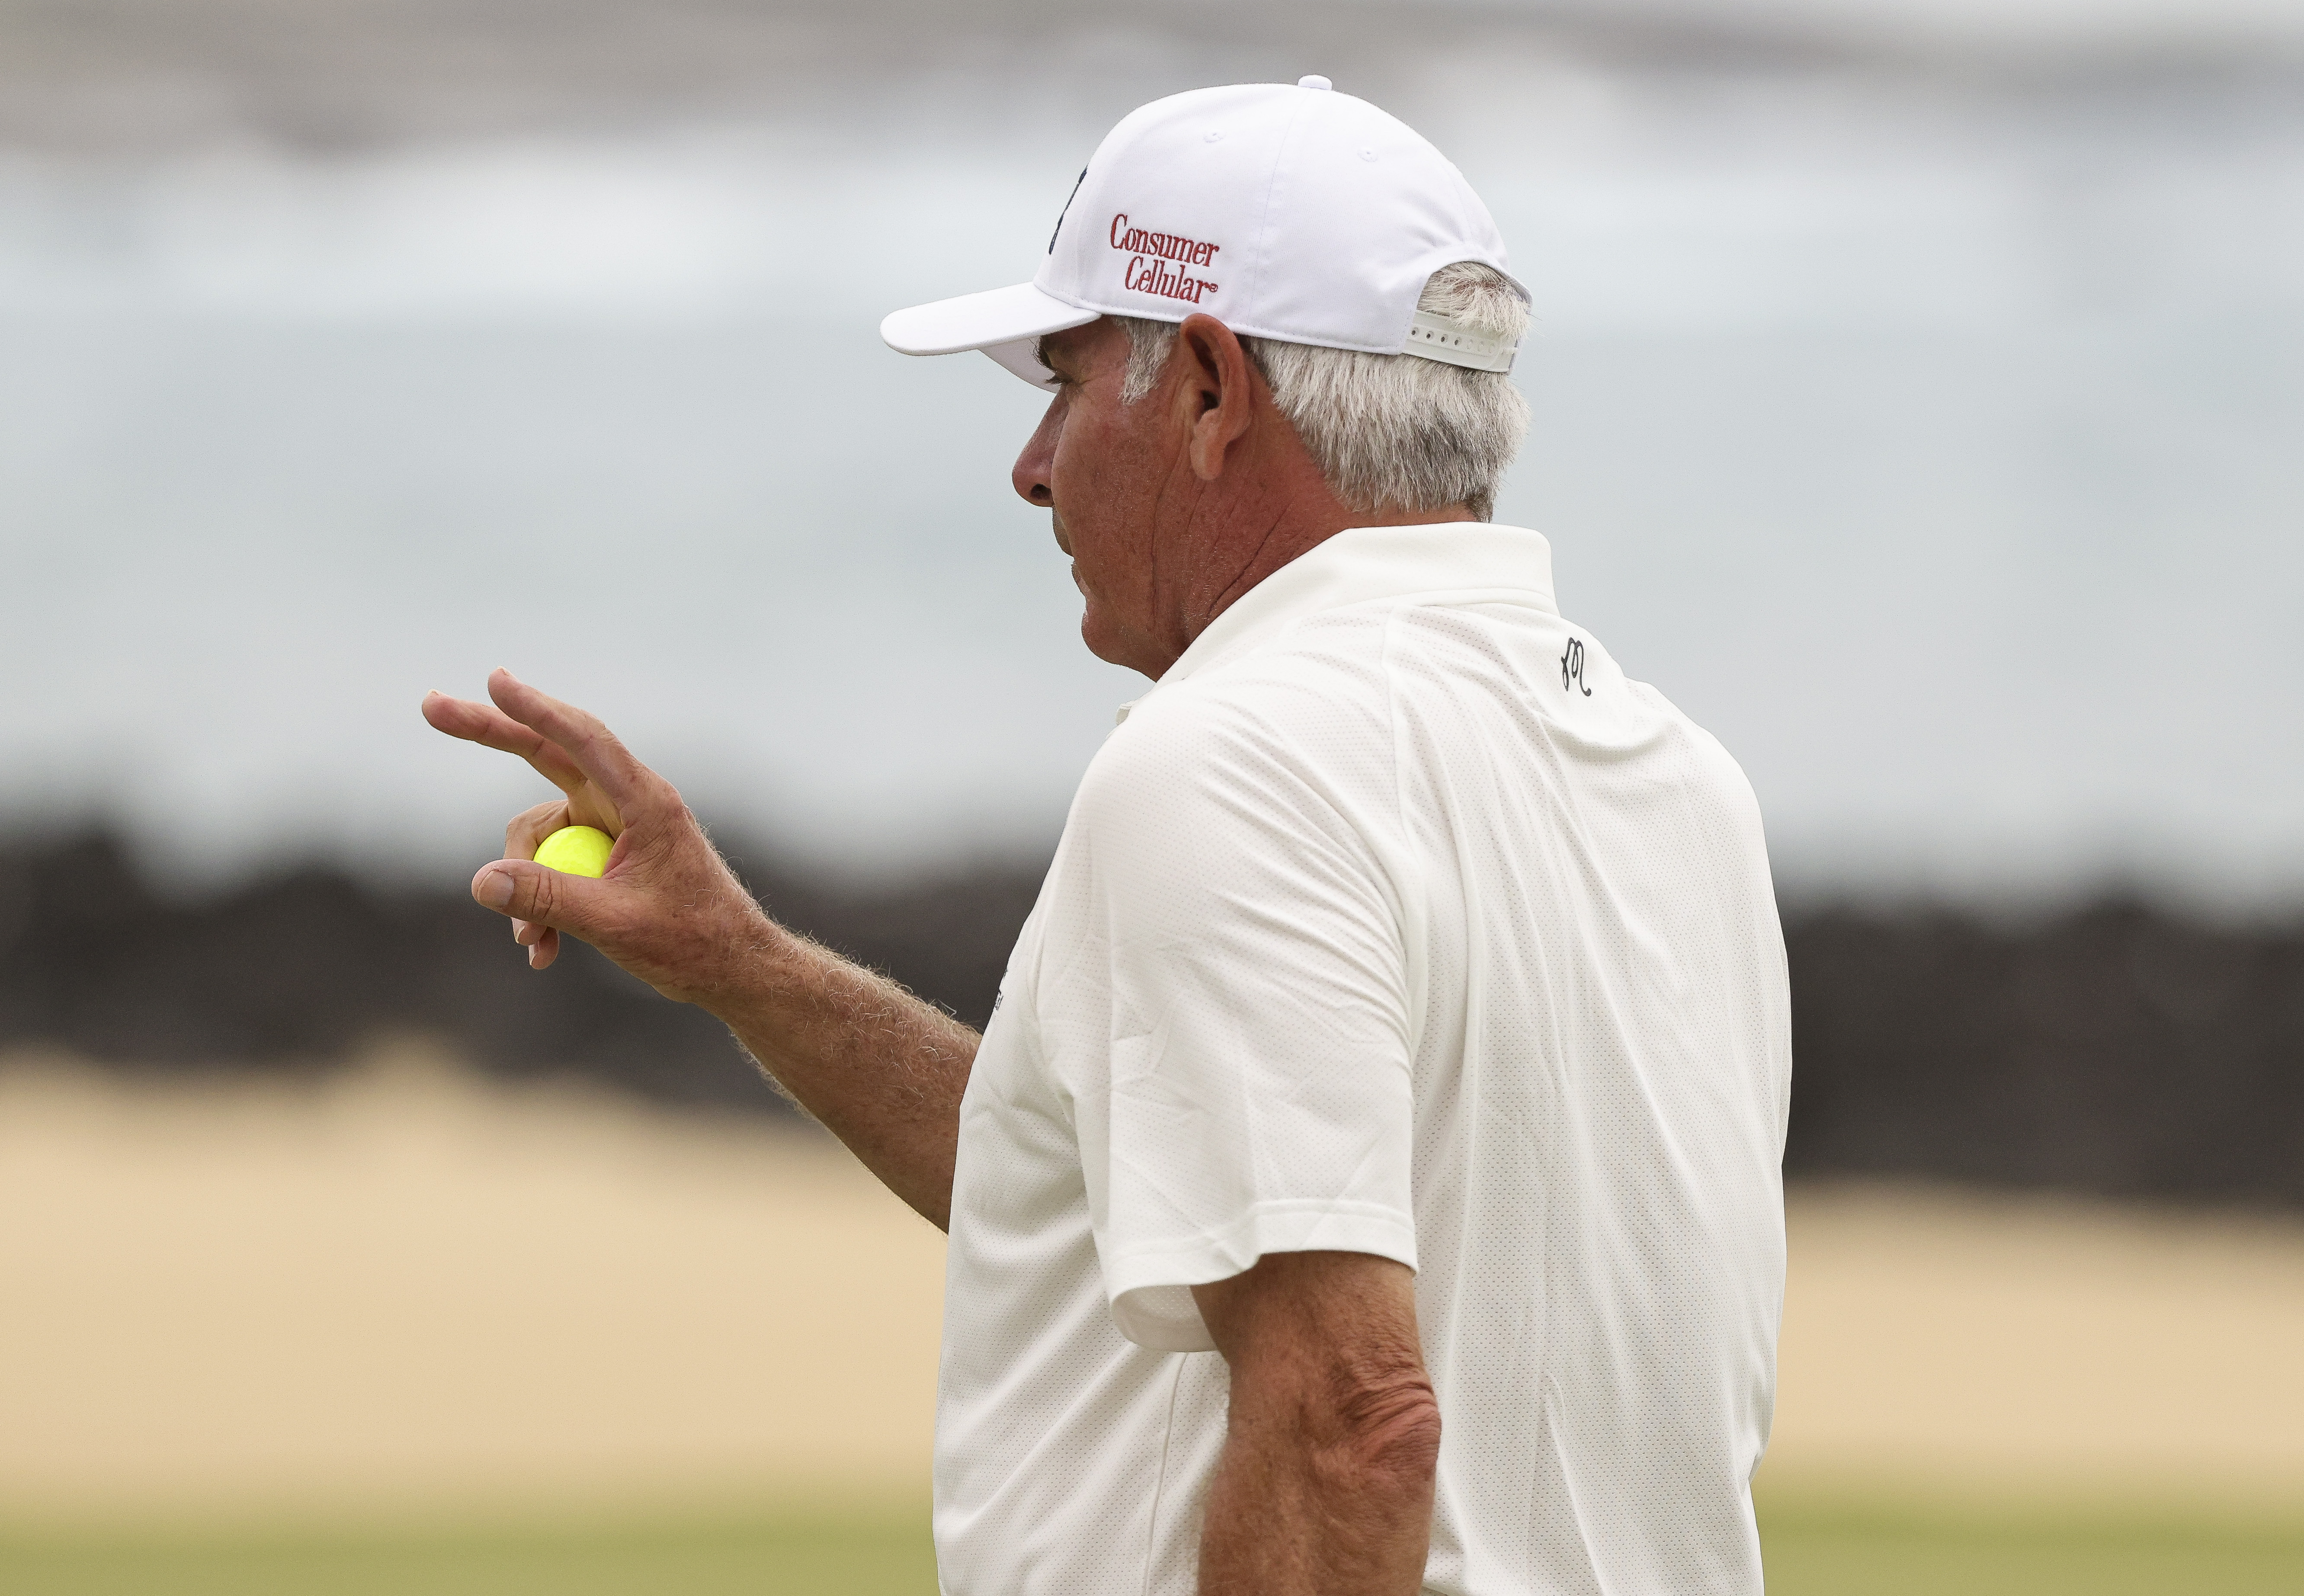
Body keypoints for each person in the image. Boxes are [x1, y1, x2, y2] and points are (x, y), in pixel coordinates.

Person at [424, 78, 1789, 1596]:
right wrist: (741, 963)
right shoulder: (1681, 781)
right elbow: (1116, 1191)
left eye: (1066, 383)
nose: (1030, 464)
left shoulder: (1232, 765)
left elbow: (1357, 1427)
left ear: (1210, 388)